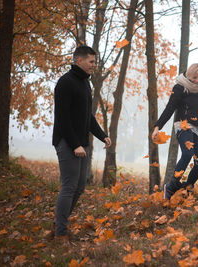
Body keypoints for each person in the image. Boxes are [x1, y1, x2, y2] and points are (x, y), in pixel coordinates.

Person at [52, 46, 111, 242]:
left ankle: (60, 224)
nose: (94, 65)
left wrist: (102, 135)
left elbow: (88, 116)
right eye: (91, 62)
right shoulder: (65, 83)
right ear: (79, 60)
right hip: (67, 142)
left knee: (79, 187)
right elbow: (63, 118)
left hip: (81, 143)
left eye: (95, 62)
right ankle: (60, 234)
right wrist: (75, 144)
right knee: (69, 186)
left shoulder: (86, 84)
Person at [152, 63, 198, 200]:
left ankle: (187, 188)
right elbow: (170, 108)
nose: (197, 81)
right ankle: (171, 185)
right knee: (187, 153)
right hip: (183, 125)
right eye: (194, 78)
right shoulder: (179, 87)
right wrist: (157, 127)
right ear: (189, 74)